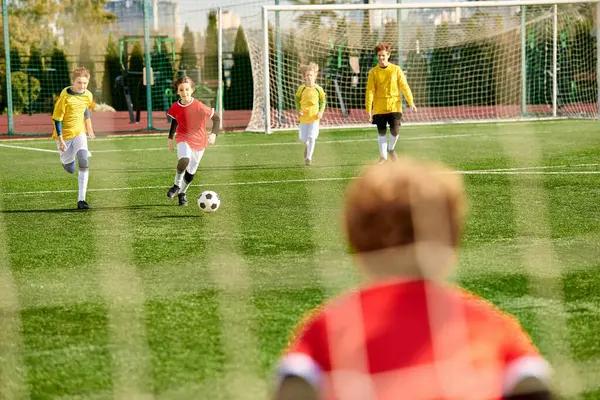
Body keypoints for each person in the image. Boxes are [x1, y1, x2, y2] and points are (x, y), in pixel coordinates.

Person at [274, 157, 552, 400]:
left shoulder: (328, 328)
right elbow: (534, 385)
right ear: (451, 243)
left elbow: (293, 385)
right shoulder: (491, 325)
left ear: (355, 243)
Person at [166, 76, 220, 206]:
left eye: (187, 89)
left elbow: (216, 119)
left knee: (190, 174)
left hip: (200, 142)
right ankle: (176, 185)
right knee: (184, 160)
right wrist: (170, 138)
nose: (184, 92)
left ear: (192, 90)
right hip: (183, 137)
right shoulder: (175, 106)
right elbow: (175, 120)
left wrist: (213, 134)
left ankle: (182, 193)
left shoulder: (199, 106)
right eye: (181, 90)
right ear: (177, 91)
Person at [365, 42, 417, 164]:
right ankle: (383, 157)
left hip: (395, 106)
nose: (381, 58)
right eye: (379, 56)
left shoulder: (396, 70)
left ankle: (391, 148)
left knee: (395, 131)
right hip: (379, 108)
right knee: (381, 132)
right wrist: (368, 109)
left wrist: (411, 102)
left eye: (383, 55)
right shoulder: (373, 72)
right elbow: (370, 92)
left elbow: (404, 86)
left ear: (388, 55)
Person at [52, 66, 95, 210]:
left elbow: (85, 110)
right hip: (64, 136)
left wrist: (89, 128)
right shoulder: (65, 97)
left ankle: (81, 200)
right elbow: (57, 119)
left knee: (83, 159)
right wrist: (61, 139)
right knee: (70, 168)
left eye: (85, 83)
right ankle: (67, 160)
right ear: (73, 82)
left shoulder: (88, 95)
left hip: (79, 132)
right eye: (79, 83)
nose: (82, 86)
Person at [295, 62, 326, 165]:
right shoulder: (301, 89)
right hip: (303, 117)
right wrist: (298, 110)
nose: (309, 77)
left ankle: (308, 158)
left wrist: (320, 112)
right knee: (303, 138)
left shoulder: (319, 89)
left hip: (314, 117)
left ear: (315, 76)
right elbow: (296, 99)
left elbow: (323, 101)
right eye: (307, 75)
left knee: (312, 137)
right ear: (305, 77)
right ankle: (307, 144)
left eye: (311, 75)